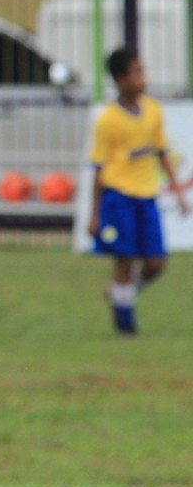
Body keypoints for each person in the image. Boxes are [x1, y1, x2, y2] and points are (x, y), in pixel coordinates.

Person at [88, 46, 188, 336]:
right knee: (125, 259)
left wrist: (178, 192)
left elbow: (162, 154)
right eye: (137, 73)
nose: (143, 79)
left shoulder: (153, 111)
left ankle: (121, 292)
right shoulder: (108, 119)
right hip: (118, 196)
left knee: (156, 262)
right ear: (121, 80)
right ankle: (126, 325)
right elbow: (98, 168)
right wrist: (95, 214)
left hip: (147, 196)